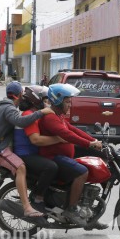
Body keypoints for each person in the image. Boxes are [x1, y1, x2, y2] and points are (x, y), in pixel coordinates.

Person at [38, 84, 102, 226]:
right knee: (82, 172)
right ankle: (71, 209)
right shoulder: (50, 118)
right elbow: (67, 134)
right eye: (67, 102)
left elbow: (74, 129)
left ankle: (89, 215)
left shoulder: (58, 116)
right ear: (58, 101)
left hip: (62, 157)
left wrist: (93, 140)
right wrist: (89, 144)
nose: (70, 105)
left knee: (90, 166)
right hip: (53, 157)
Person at [0, 81, 54, 218]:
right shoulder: (9, 108)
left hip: (4, 147)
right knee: (21, 167)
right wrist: (42, 112)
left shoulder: (8, 106)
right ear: (19, 95)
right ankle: (27, 207)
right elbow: (21, 122)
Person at [14, 86, 63, 213]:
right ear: (37, 100)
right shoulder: (28, 115)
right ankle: (38, 198)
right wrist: (59, 139)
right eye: (45, 100)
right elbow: (36, 140)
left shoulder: (36, 114)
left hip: (34, 153)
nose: (48, 103)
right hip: (25, 155)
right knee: (51, 167)